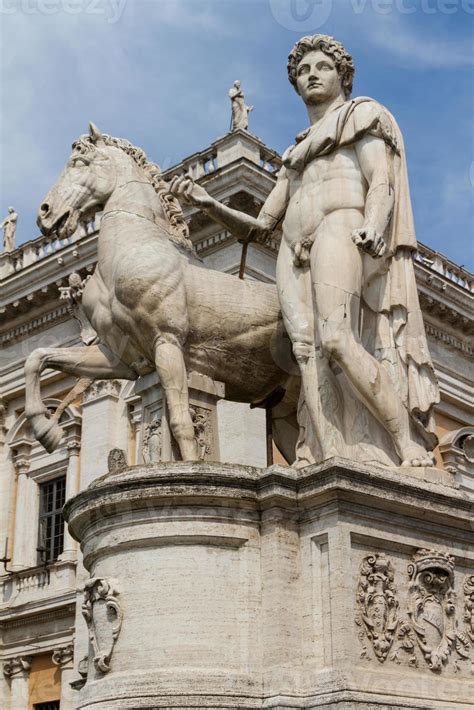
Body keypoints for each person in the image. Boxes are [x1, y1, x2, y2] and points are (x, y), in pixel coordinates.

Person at [170, 35, 439, 468]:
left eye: (321, 67)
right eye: (302, 71)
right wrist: (209, 204)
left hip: (341, 226)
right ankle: (324, 453)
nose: (311, 75)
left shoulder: (360, 117)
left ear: (342, 76)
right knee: (306, 355)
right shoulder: (295, 154)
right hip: (293, 248)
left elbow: (382, 182)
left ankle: (405, 442)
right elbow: (261, 226)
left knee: (335, 339)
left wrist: (373, 223)